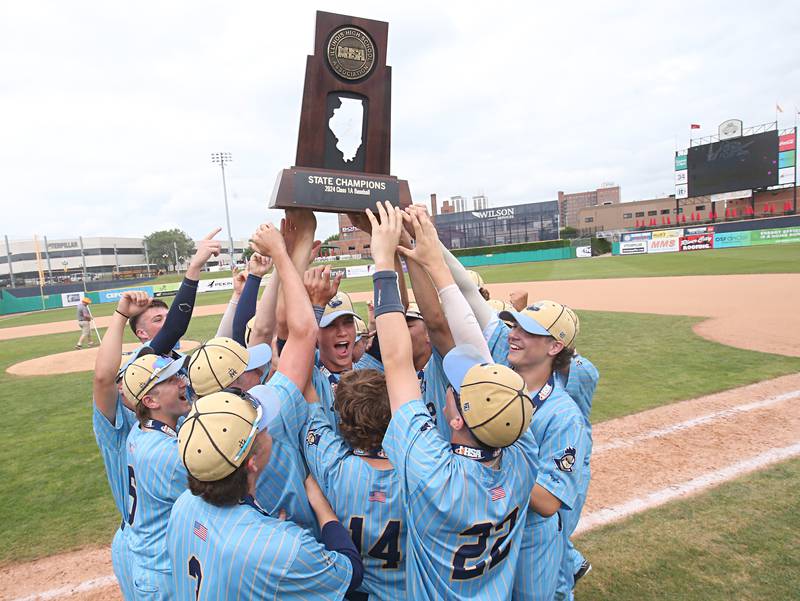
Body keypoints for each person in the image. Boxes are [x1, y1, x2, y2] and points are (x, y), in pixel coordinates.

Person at [368, 202, 540, 600]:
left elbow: (394, 363)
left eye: (458, 390)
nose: (452, 384)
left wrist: (382, 262)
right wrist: (431, 264)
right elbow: (472, 349)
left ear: (458, 420)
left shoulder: (433, 472)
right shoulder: (521, 452)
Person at [167, 390, 363, 600]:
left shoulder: (183, 504)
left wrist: (268, 529)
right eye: (262, 427)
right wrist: (322, 507)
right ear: (252, 462)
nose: (268, 429)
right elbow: (350, 573)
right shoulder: (284, 548)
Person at [495, 302, 590, 601]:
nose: (514, 335)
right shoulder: (497, 385)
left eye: (527, 330)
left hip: (531, 538)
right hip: (492, 529)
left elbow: (549, 502)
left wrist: (499, 451)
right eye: (514, 326)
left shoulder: (563, 415)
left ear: (554, 347)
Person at [300, 368, 406, 600]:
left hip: (350, 592)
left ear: (343, 421)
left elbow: (312, 411)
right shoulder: (417, 475)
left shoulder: (333, 464)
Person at [92, 290, 155, 599]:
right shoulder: (115, 427)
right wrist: (121, 316)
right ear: (120, 386)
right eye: (130, 377)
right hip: (139, 543)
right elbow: (102, 378)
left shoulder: (166, 414)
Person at [120, 351, 192, 599]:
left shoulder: (140, 432)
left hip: (150, 563)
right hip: (165, 577)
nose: (183, 382)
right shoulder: (167, 456)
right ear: (150, 401)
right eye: (172, 380)